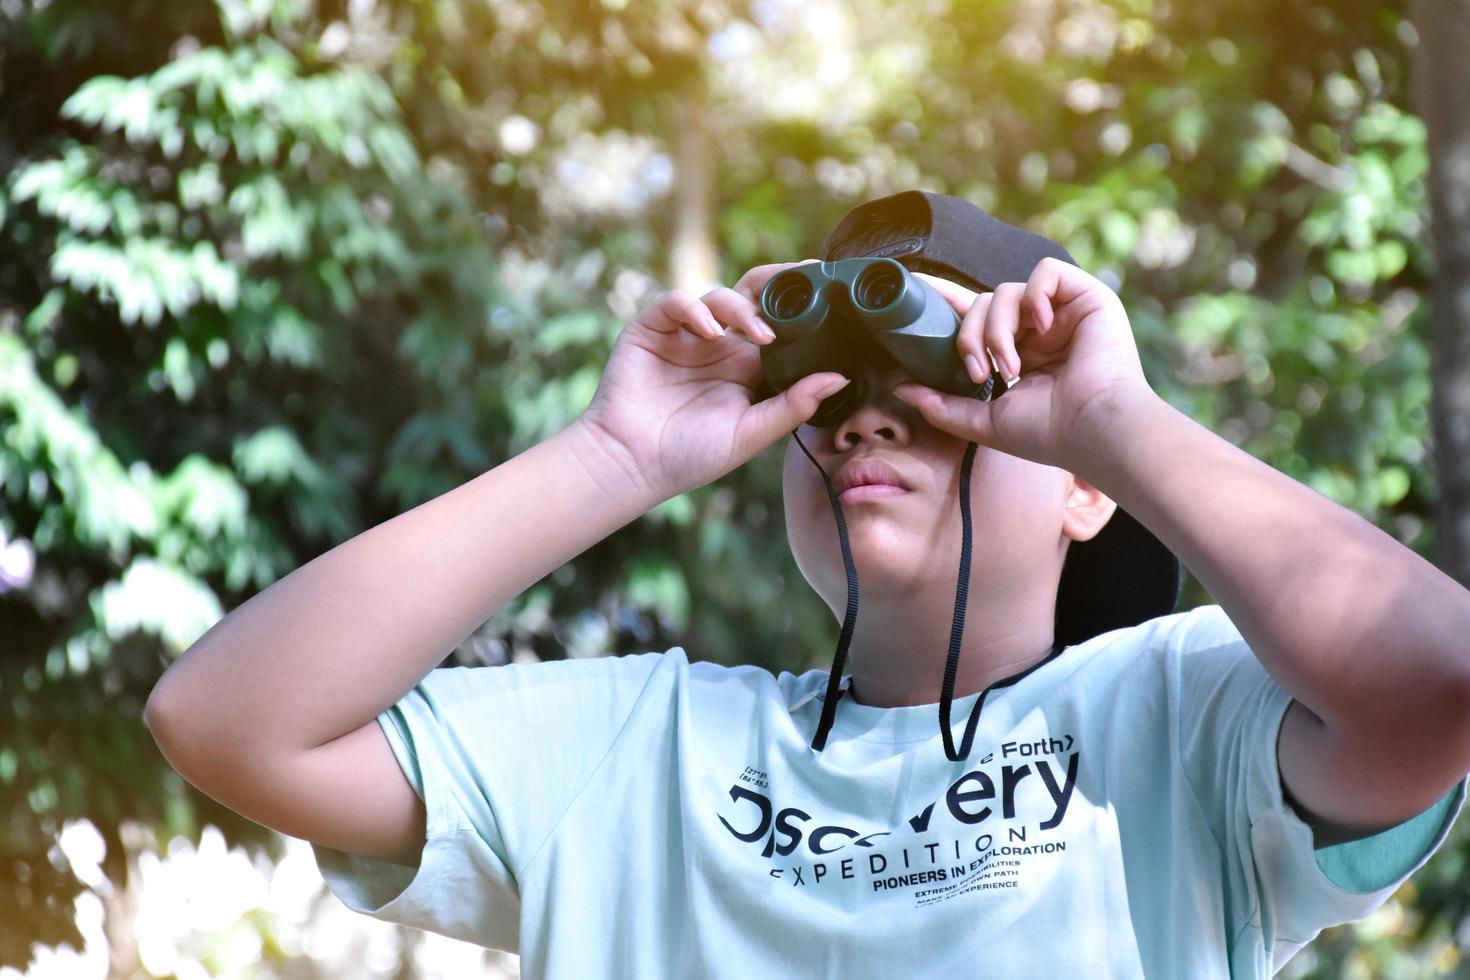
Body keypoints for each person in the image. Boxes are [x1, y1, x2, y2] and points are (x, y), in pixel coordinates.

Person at [145, 191, 1470, 979]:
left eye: (942, 389)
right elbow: (226, 719)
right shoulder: (633, 753)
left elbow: (1436, 680)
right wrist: (613, 454)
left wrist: (1114, 413)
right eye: (821, 395)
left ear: (1081, 485)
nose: (859, 423)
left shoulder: (1177, 723)